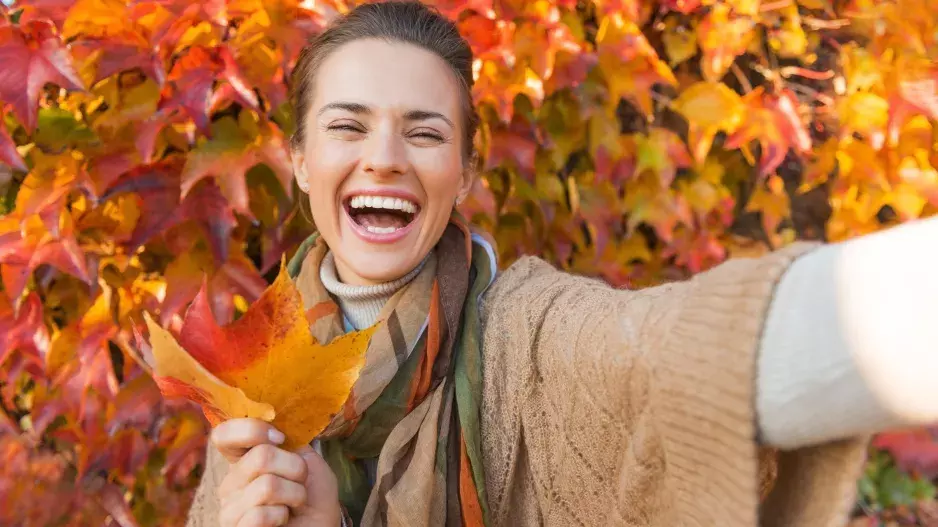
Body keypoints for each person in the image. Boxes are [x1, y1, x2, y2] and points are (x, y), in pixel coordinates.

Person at [184, 2, 938, 526]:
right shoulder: (257, 374)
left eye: (424, 133)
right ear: (301, 161)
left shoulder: (530, 336)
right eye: (347, 126)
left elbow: (663, 348)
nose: (383, 159)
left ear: (467, 173)